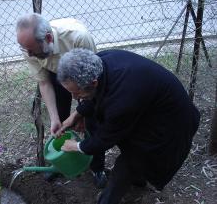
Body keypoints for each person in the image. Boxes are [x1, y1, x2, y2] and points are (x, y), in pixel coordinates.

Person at [55, 48, 200, 204]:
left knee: (130, 162)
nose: (74, 97)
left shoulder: (122, 100)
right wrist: (76, 114)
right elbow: (97, 94)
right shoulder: (99, 62)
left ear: (93, 83)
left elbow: (104, 139)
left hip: (172, 125)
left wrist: (76, 146)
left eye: (76, 93)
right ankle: (138, 181)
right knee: (133, 153)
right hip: (150, 110)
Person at [16, 13, 107, 187]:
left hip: (83, 73)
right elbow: (44, 82)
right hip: (56, 75)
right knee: (61, 121)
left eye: (32, 50)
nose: (28, 54)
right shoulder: (29, 47)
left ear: (48, 38)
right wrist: (55, 119)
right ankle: (62, 163)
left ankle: (97, 167)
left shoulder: (78, 37)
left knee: (94, 121)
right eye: (24, 49)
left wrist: (82, 114)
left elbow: (93, 82)